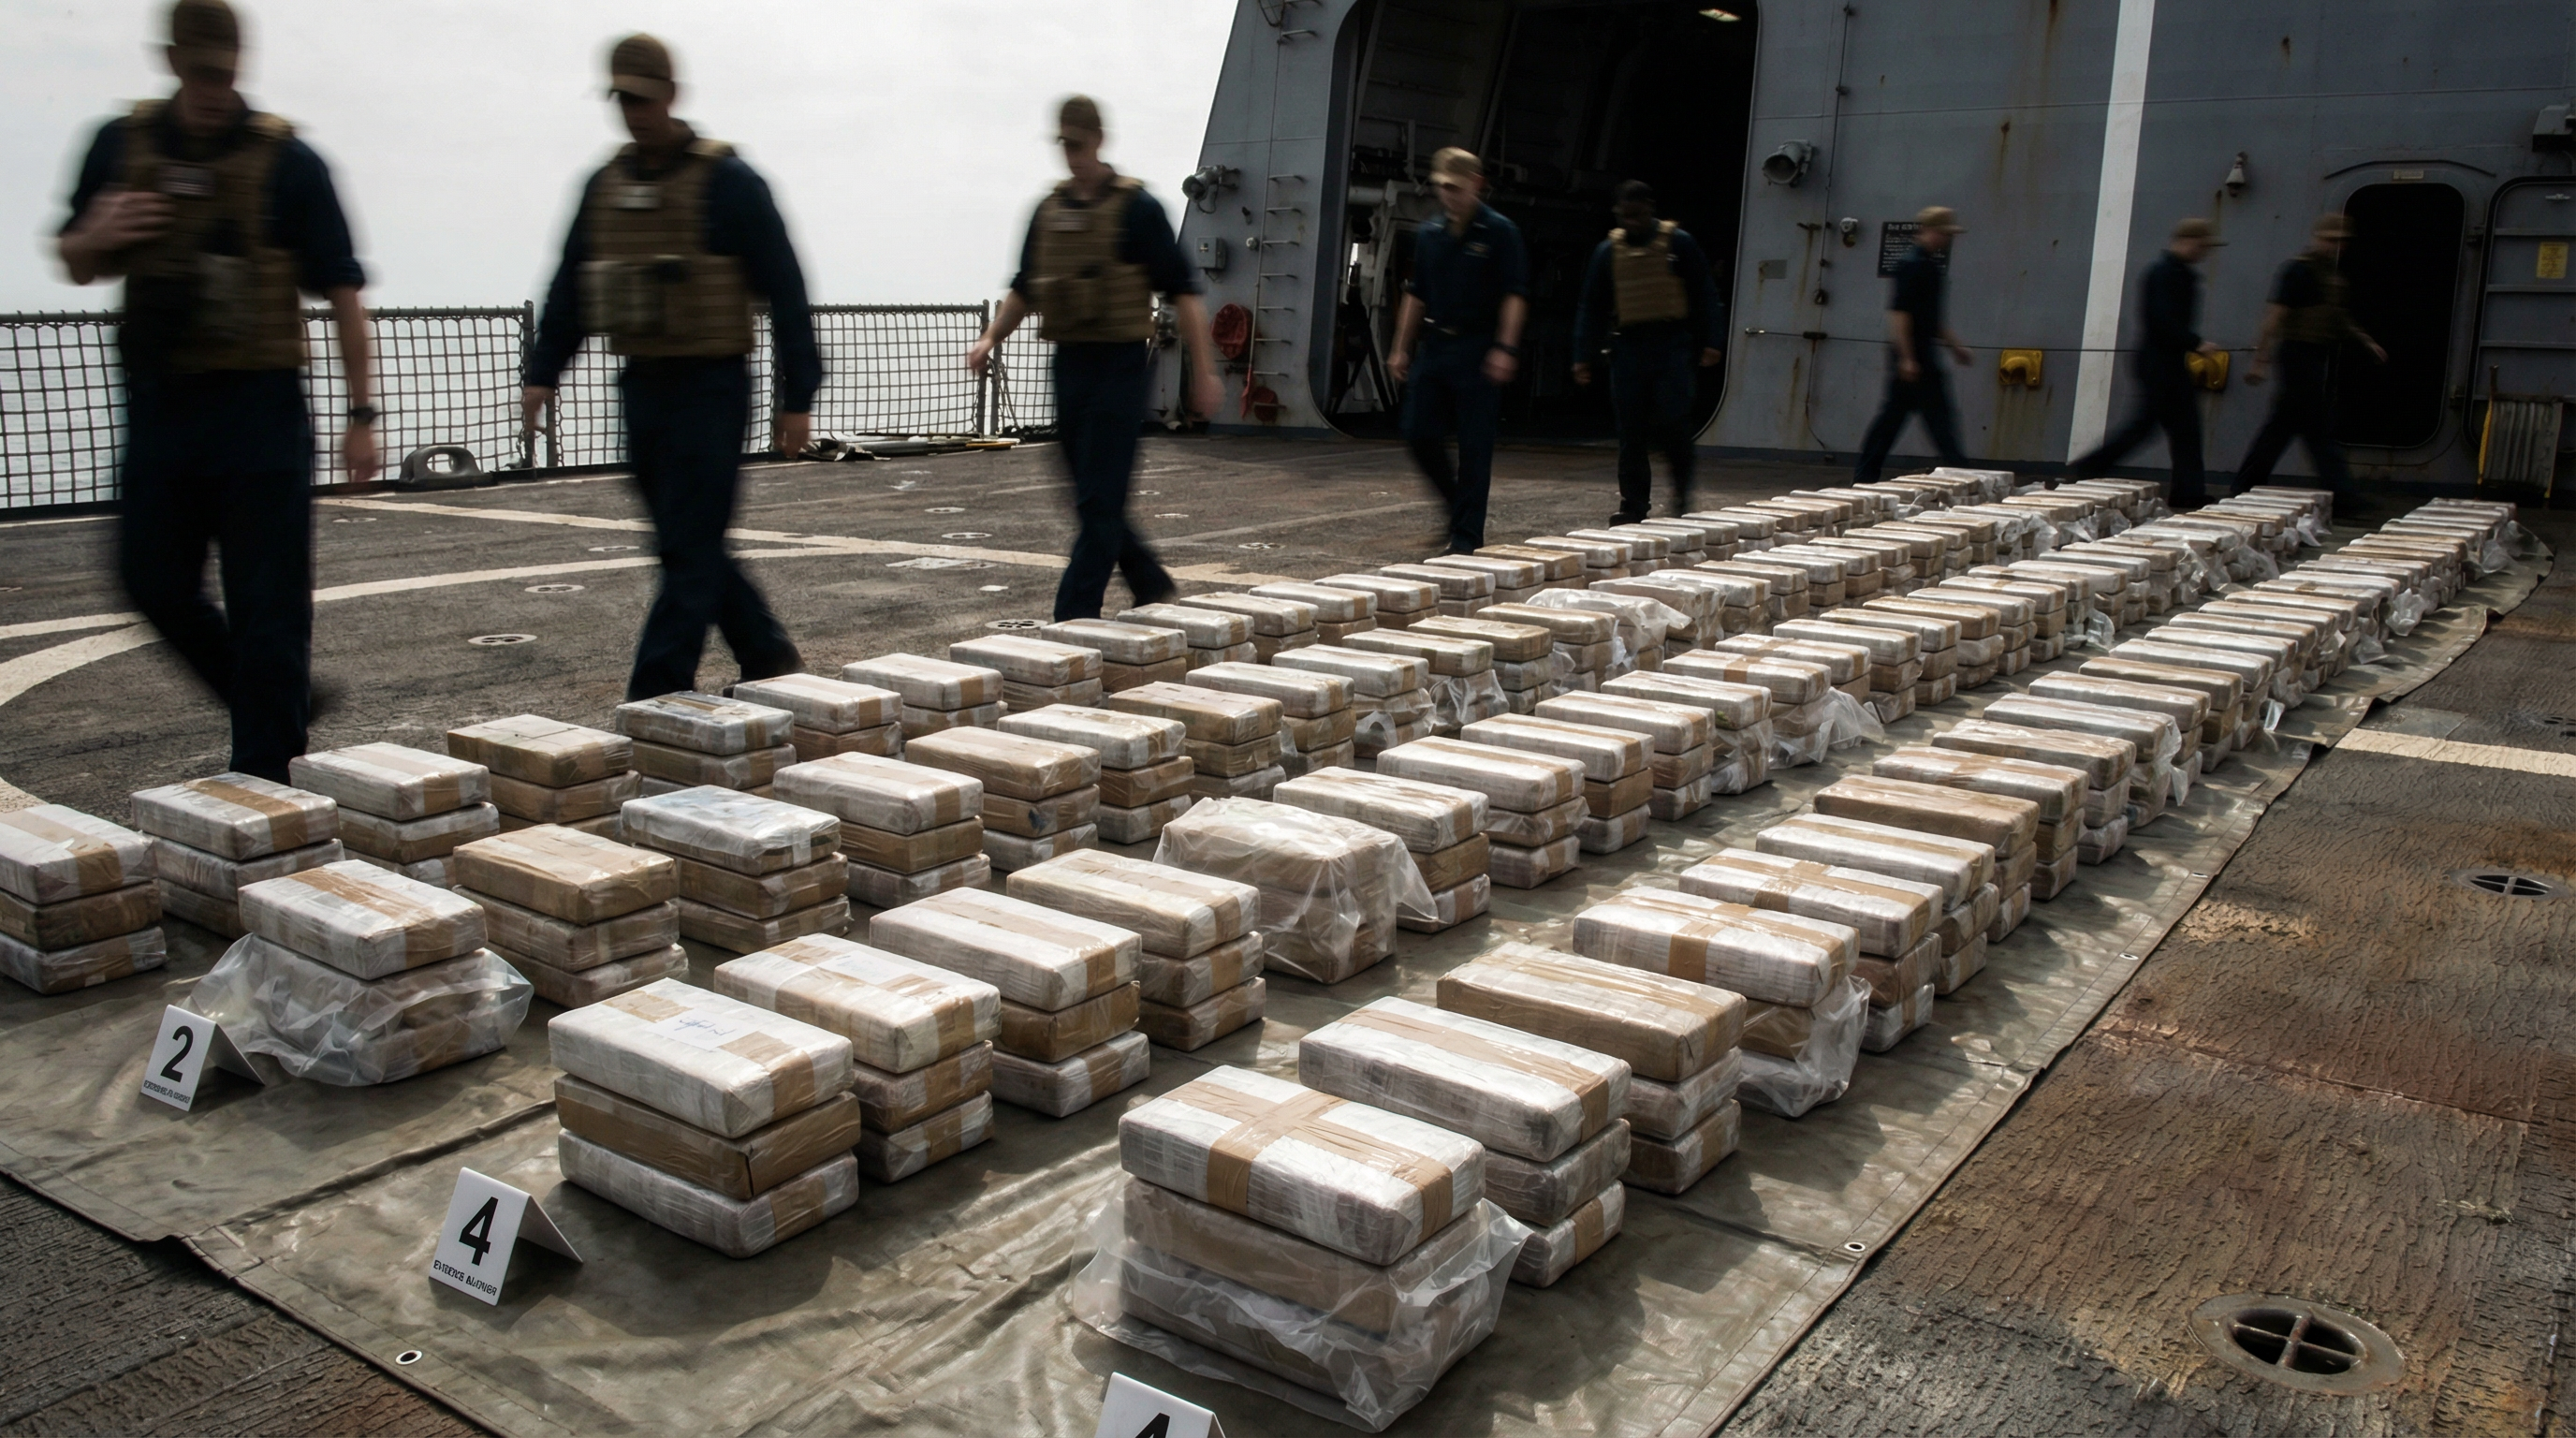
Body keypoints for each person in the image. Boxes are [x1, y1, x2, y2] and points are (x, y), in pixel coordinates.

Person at [55, 0, 375, 783]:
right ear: (171, 61)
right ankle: (277, 699)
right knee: (149, 579)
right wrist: (99, 233)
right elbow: (75, 256)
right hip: (163, 403)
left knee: (271, 609)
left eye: (222, 72)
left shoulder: (288, 163)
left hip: (260, 410)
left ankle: (268, 777)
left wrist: (362, 414)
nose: (210, 87)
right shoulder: (120, 145)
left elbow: (341, 291)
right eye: (198, 71)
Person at [522, 34, 815, 701]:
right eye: (622, 98)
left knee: (688, 552)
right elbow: (571, 284)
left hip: (712, 386)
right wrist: (544, 371)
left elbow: (787, 286)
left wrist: (797, 396)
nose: (633, 111)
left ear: (671, 95)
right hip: (643, 386)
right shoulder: (604, 186)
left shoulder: (727, 183)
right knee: (687, 544)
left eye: (644, 97)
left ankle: (652, 698)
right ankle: (766, 651)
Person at [966, 96, 1221, 622]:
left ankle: (1072, 617)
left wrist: (1205, 373)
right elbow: (1024, 287)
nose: (1071, 155)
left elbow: (1184, 294)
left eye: (1078, 144)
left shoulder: (1138, 210)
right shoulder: (1048, 211)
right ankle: (1149, 581)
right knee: (1086, 493)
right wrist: (991, 338)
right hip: (1070, 363)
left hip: (1122, 366)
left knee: (1100, 501)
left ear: (1099, 140)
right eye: (1063, 145)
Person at [1388, 148, 1529, 554]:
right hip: (1437, 346)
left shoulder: (1500, 232)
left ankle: (1466, 539)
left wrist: (1505, 346)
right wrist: (1401, 348)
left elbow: (1514, 295)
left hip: (1479, 348)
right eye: (1441, 187)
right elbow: (1417, 295)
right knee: (1417, 431)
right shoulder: (1431, 234)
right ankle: (1455, 508)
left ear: (1476, 184)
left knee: (1474, 445)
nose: (1447, 195)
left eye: (1454, 187)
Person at [1572, 182, 1723, 523]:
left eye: (1638, 215)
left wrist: (1712, 341)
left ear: (1650, 209)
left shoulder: (1678, 244)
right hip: (1628, 346)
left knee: (1673, 424)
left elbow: (1704, 294)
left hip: (1671, 344)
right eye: (1626, 216)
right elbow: (1591, 306)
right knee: (1630, 432)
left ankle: (1682, 496)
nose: (1632, 222)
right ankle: (1633, 505)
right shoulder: (1608, 252)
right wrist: (1582, 355)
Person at [2068, 217, 2225, 508]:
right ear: (2188, 242)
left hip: (2168, 362)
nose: (2204, 252)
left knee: (2183, 430)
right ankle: (2089, 467)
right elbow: (2160, 320)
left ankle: (2187, 492)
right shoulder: (2164, 274)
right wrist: (2196, 343)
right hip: (2160, 363)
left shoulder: (2177, 274)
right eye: (2202, 246)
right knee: (2148, 427)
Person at [2232, 213, 2384, 499]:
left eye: (2340, 241)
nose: (2334, 246)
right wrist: (2260, 360)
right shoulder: (2298, 272)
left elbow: (2338, 318)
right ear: (2317, 238)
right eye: (2330, 240)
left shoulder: (2330, 276)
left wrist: (2365, 341)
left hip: (2315, 355)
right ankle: (2343, 492)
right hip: (2296, 354)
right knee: (2315, 428)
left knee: (2284, 427)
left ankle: (2246, 484)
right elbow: (2274, 317)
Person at [1852, 205, 1973, 484]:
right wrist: (1907, 358)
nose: (1947, 240)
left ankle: (1866, 475)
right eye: (1944, 234)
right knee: (1920, 422)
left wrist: (1955, 346)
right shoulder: (1913, 265)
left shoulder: (1928, 265)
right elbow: (1900, 314)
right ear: (1930, 231)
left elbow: (1931, 317)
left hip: (1920, 355)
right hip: (1913, 356)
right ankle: (1964, 473)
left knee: (1908, 420)